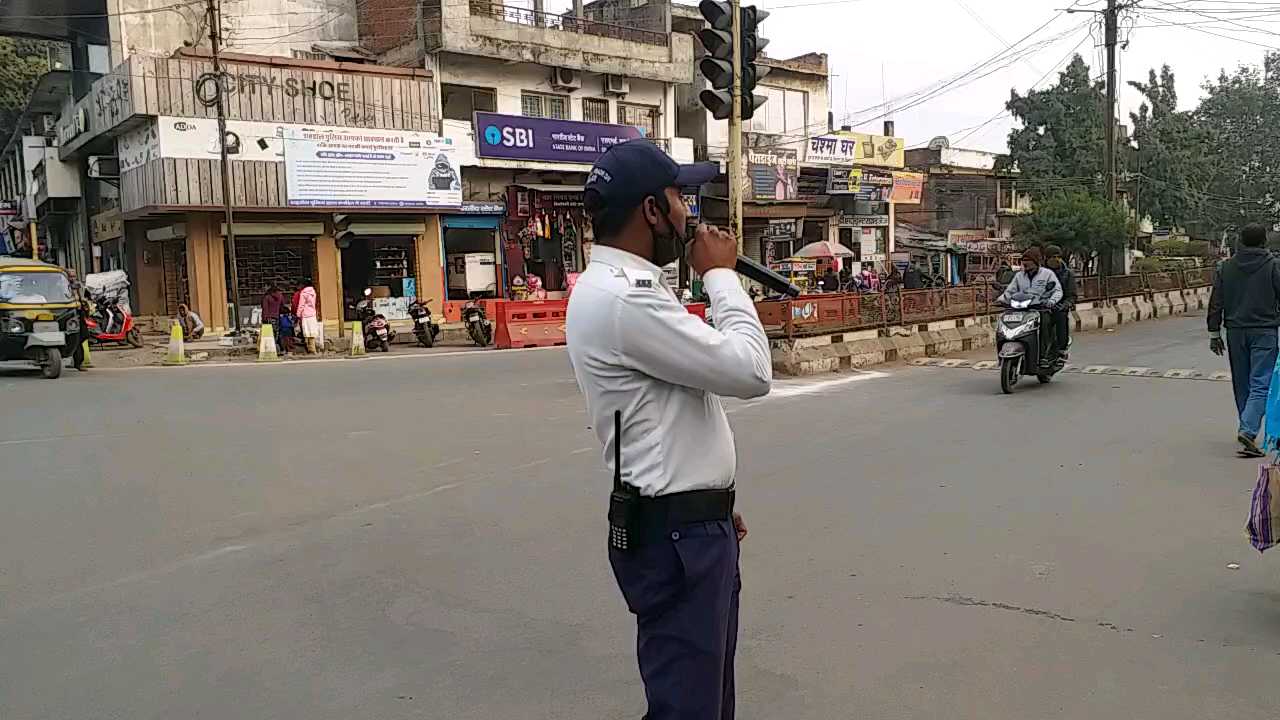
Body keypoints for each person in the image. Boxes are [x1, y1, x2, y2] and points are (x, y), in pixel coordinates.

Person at [567, 141, 770, 720]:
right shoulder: (624, 300)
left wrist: (708, 500)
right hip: (676, 538)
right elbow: (751, 372)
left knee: (704, 703)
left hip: (686, 525)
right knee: (688, 709)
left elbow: (665, 412)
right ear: (652, 211)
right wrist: (722, 278)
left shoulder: (628, 290)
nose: (690, 213)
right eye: (681, 197)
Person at [1208, 223, 1280, 457]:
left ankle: (1245, 427)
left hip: (1235, 332)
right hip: (1265, 331)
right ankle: (1248, 430)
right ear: (1263, 242)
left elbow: (1216, 301)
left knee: (1242, 382)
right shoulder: (1273, 266)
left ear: (1240, 241)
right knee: (1261, 382)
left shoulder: (1225, 267)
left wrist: (1214, 333)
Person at [1044, 245, 1077, 358]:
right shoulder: (1039, 273)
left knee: (1061, 318)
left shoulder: (1067, 274)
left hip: (1058, 307)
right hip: (1039, 307)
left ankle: (1061, 348)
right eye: (1053, 257)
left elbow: (1072, 295)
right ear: (1046, 258)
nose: (1056, 259)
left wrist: (1066, 304)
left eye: (1058, 256)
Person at [65, 269, 89, 371]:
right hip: (69, 315)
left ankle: (78, 362)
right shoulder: (63, 287)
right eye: (70, 276)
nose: (72, 278)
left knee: (83, 336)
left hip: (79, 314)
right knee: (74, 338)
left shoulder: (79, 286)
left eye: (74, 276)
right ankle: (77, 362)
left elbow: (84, 299)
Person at [296, 279, 321, 354]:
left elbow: (301, 305)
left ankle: (310, 349)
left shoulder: (303, 293)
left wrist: (298, 314)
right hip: (312, 314)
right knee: (312, 332)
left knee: (306, 332)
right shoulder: (313, 292)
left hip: (306, 315)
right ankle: (313, 349)